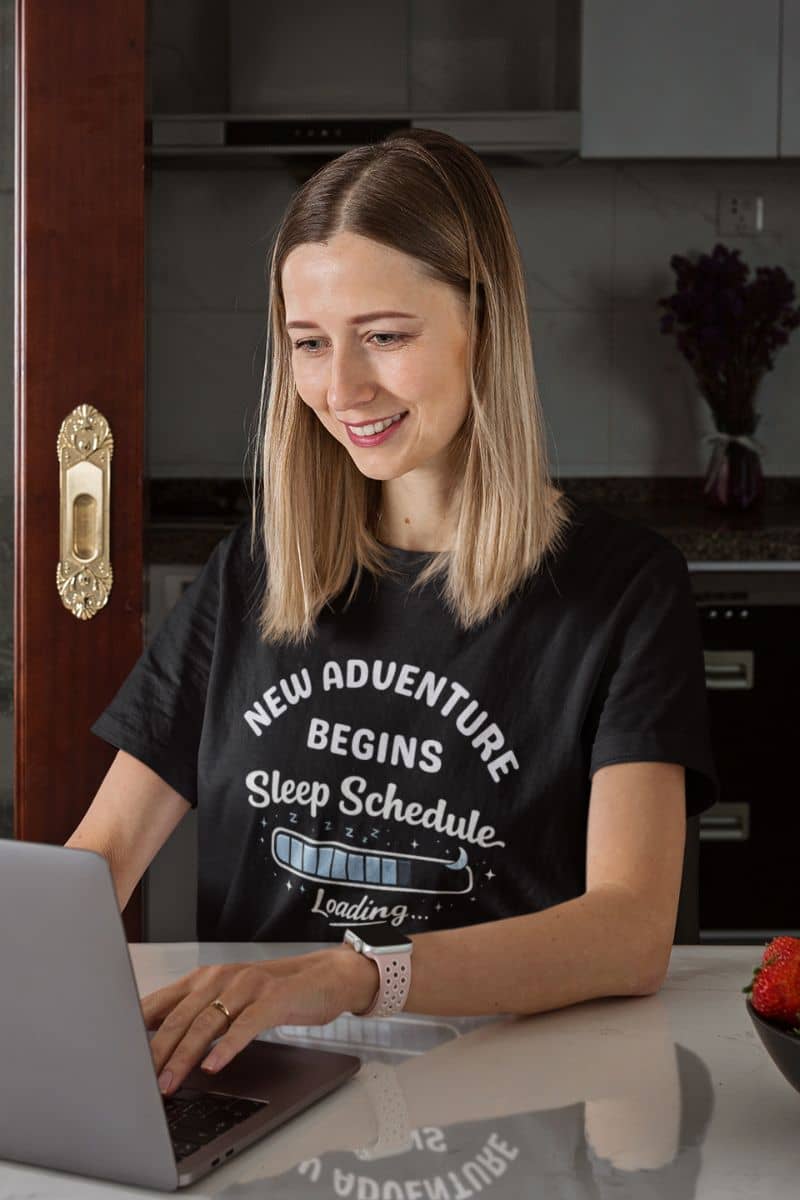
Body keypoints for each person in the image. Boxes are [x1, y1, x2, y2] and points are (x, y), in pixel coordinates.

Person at [65, 129, 719, 1098]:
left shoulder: (621, 588)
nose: (341, 389)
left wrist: (353, 974)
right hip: (254, 1092)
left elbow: (628, 931)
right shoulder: (248, 575)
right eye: (308, 344)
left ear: (482, 326)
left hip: (500, 1096)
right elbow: (95, 865)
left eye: (384, 335)